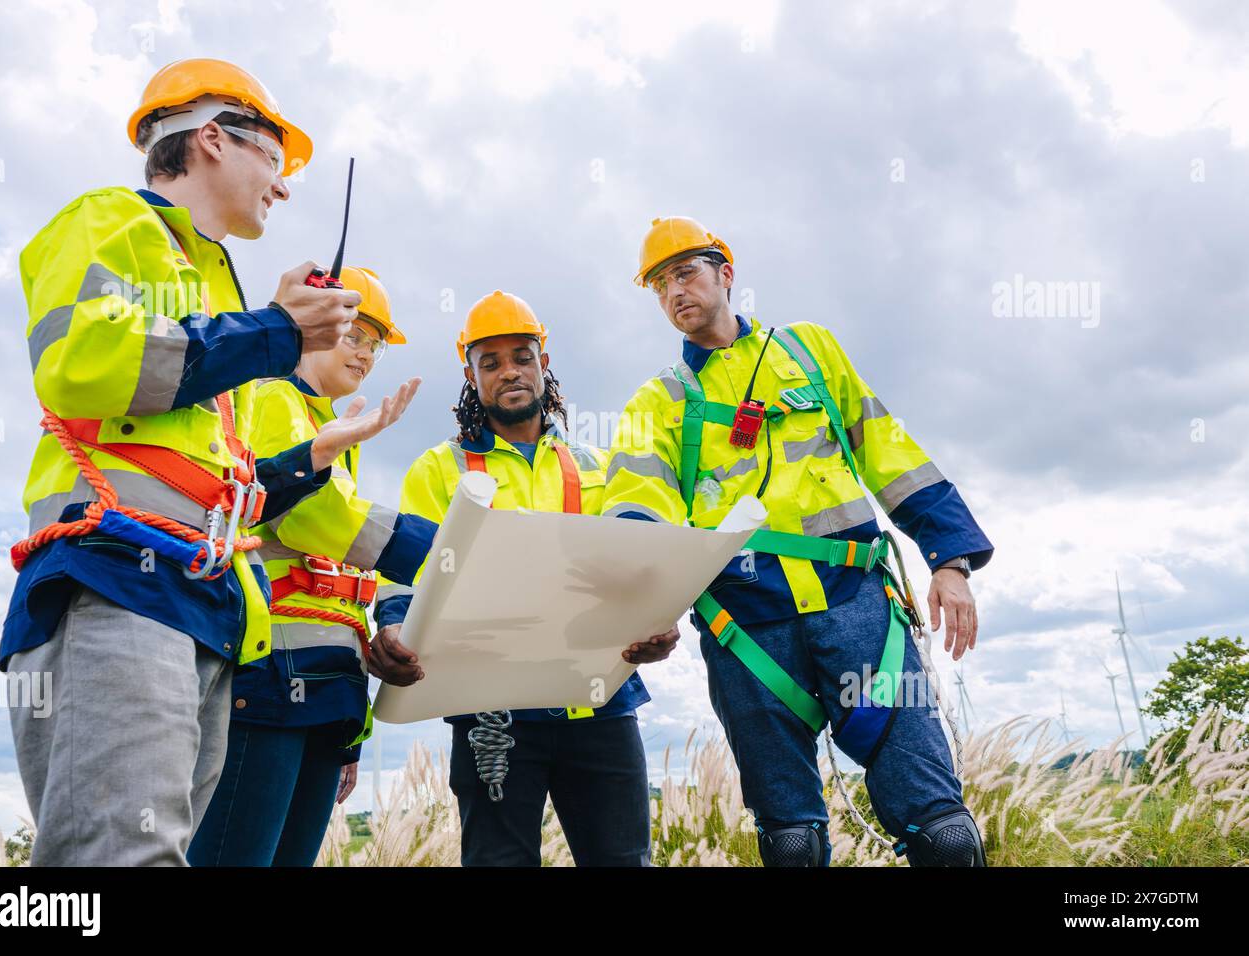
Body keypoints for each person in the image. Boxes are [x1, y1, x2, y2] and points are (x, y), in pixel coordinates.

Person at [1, 58, 422, 866]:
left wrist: (307, 462)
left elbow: (225, 492)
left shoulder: (216, 303)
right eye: (275, 155)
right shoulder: (110, 218)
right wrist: (273, 330)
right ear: (211, 140)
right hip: (114, 580)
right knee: (113, 862)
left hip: (192, 606)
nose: (284, 184)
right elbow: (87, 361)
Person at [602, 217, 995, 866]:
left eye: (686, 273)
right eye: (659, 284)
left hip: (861, 611)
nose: (675, 291)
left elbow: (886, 449)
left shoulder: (810, 352)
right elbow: (638, 507)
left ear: (725, 274)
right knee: (791, 846)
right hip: (747, 630)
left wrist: (950, 561)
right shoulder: (659, 402)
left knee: (945, 834)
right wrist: (642, 609)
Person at [370, 290, 677, 867]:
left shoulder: (597, 466)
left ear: (544, 362)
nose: (509, 371)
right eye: (491, 361)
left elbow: (635, 567)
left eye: (521, 356)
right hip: (492, 707)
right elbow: (405, 582)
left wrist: (654, 622)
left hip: (600, 702)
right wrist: (392, 629)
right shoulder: (439, 470)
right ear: (470, 373)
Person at [189, 266, 430, 866]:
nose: (368, 354)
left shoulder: (334, 432)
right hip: (268, 675)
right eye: (356, 334)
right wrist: (443, 551)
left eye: (376, 342)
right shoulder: (270, 394)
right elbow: (308, 515)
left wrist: (352, 727)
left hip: (328, 685)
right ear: (317, 325)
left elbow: (345, 591)